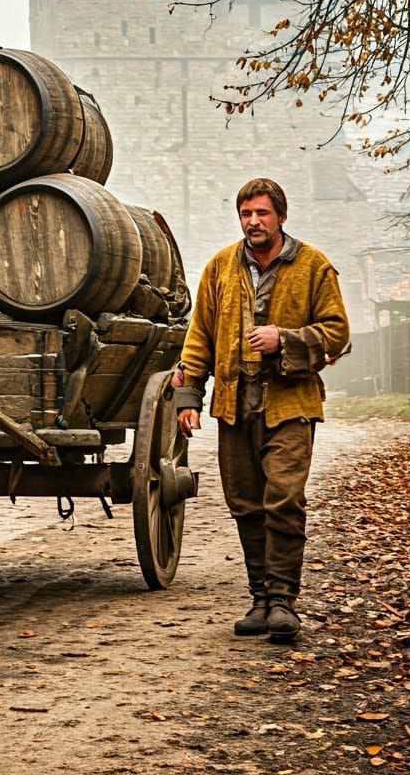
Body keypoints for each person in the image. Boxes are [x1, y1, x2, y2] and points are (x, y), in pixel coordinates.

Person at [172, 178, 350, 643]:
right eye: (246, 214)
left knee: (284, 499)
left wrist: (284, 339)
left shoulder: (313, 265)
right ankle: (260, 600)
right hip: (234, 406)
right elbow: (200, 336)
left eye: (262, 213)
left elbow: (337, 333)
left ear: (281, 217)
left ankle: (284, 602)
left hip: (290, 404)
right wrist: (189, 396)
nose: (253, 222)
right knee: (246, 505)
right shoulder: (220, 267)